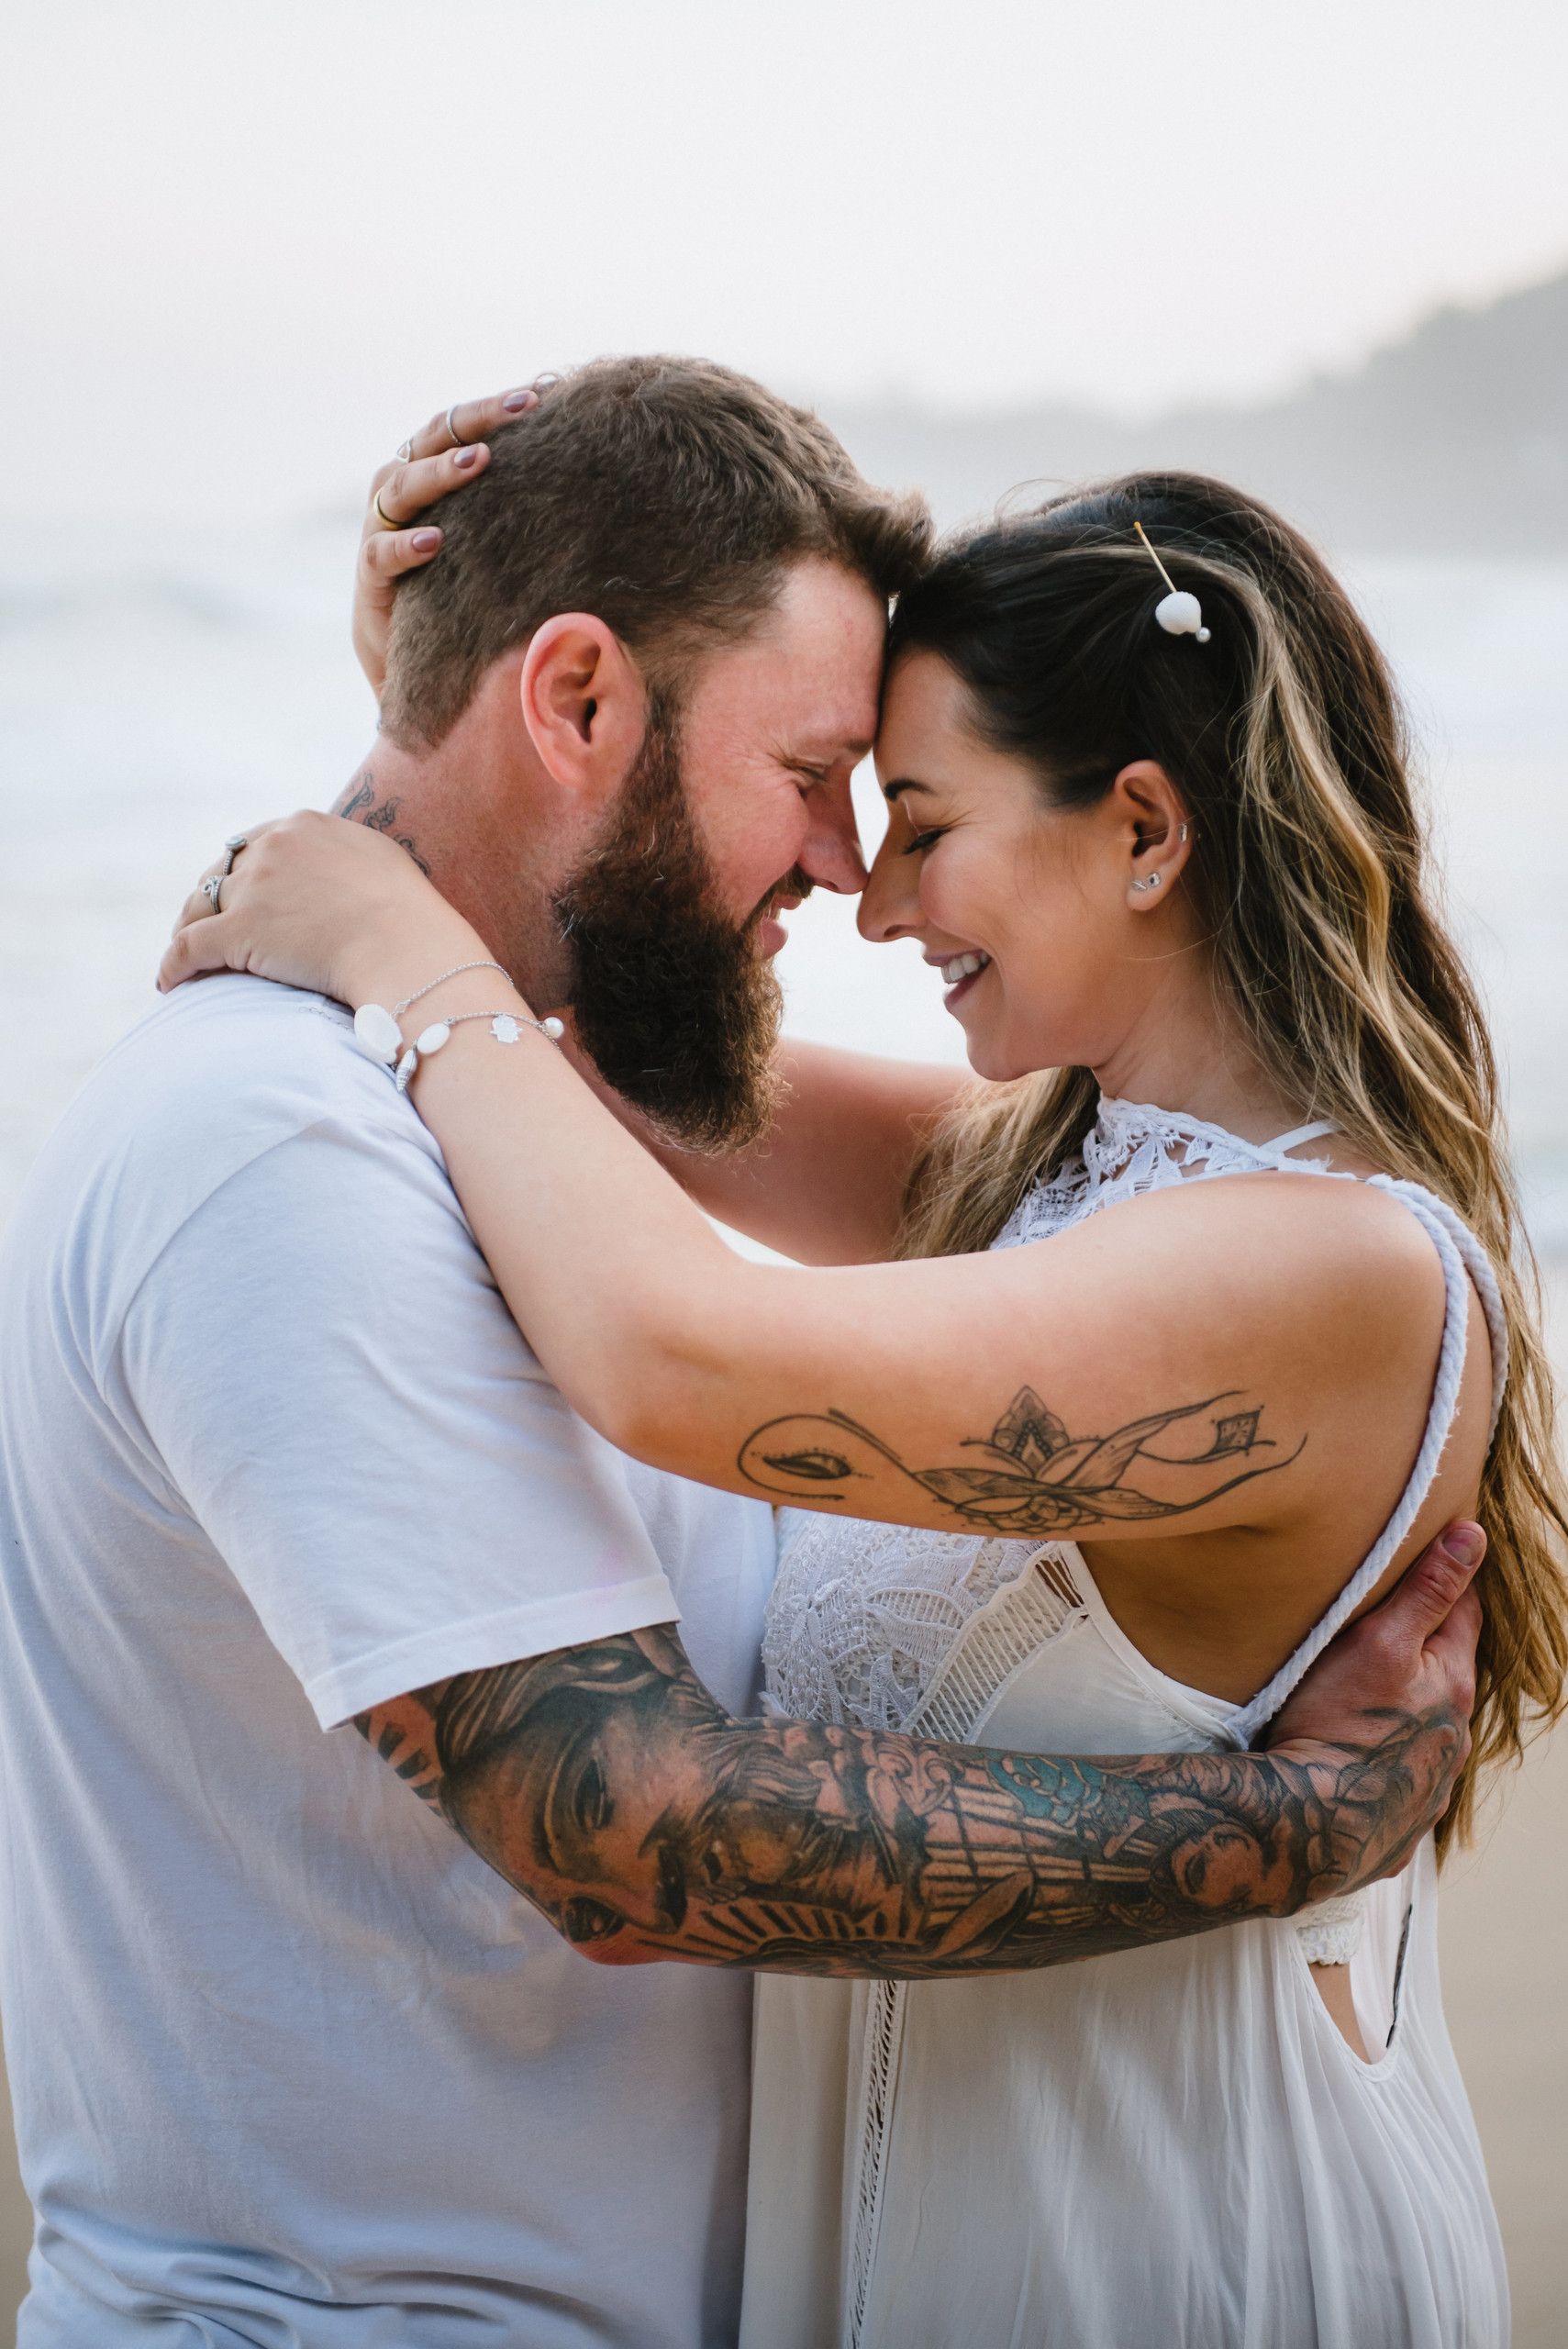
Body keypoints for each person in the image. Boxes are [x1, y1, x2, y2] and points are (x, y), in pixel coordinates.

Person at [0, 358, 1485, 2349]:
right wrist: (447, 708)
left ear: (1144, 831)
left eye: (915, 814)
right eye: (825, 782)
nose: (857, 882)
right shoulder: (1042, 1182)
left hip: (1159, 2239)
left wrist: (428, 893)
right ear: (580, 700)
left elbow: (666, 1325)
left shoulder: (1313, 1260)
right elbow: (609, 1062)